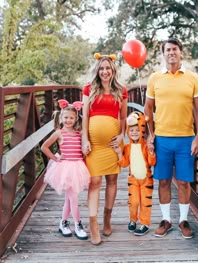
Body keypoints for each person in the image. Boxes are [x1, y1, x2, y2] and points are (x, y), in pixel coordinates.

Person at [144, 37, 198, 239]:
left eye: (174, 49)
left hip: (186, 139)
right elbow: (148, 109)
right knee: (162, 181)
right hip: (162, 139)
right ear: (163, 53)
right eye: (167, 50)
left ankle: (183, 220)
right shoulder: (154, 78)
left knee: (184, 182)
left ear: (181, 52)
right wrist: (150, 135)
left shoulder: (193, 78)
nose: (171, 52)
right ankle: (166, 220)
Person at [82, 53, 128, 245]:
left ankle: (107, 218)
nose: (105, 71)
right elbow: (84, 117)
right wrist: (85, 138)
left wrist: (121, 135)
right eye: (101, 68)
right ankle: (93, 224)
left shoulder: (121, 91)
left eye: (108, 68)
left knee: (112, 179)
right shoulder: (89, 89)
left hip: (112, 143)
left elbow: (124, 117)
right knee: (94, 181)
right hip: (94, 143)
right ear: (97, 71)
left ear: (113, 70)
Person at [41, 99, 90, 240]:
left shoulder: (79, 133)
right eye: (66, 117)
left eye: (71, 118)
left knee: (69, 199)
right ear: (61, 118)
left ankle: (63, 223)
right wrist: (55, 158)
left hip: (77, 166)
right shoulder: (59, 133)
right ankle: (78, 224)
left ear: (76, 119)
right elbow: (44, 147)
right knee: (73, 197)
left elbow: (81, 148)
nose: (68, 120)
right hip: (65, 168)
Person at [113, 111, 156, 236]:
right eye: (131, 131)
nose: (134, 133)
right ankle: (133, 220)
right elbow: (124, 163)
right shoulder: (127, 147)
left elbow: (152, 162)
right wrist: (118, 153)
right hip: (133, 180)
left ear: (142, 130)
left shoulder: (146, 146)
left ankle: (145, 223)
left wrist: (152, 151)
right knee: (134, 201)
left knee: (145, 202)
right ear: (127, 131)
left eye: (137, 130)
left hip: (146, 180)